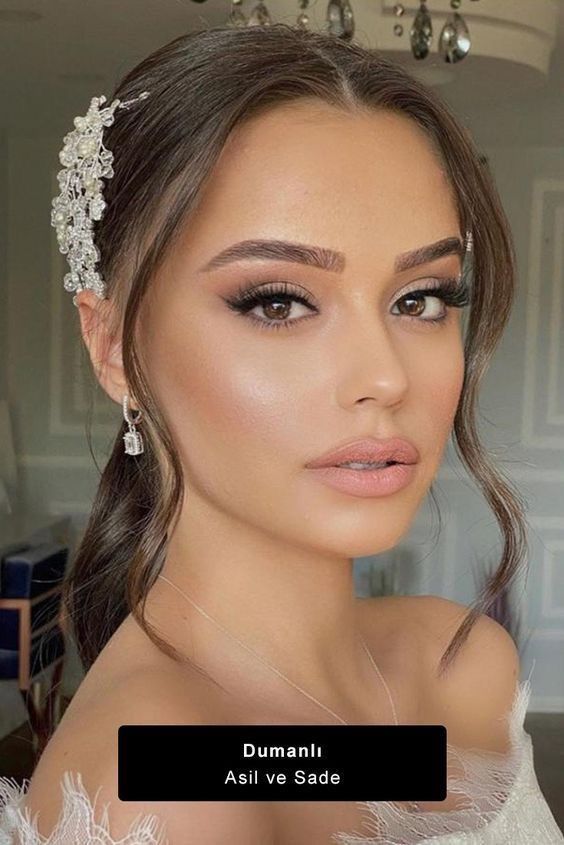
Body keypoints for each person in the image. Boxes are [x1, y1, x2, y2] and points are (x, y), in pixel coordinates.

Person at [0, 21, 562, 845]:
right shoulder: (168, 789)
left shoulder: (463, 663)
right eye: (276, 301)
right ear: (112, 344)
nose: (387, 376)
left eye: (422, 298)